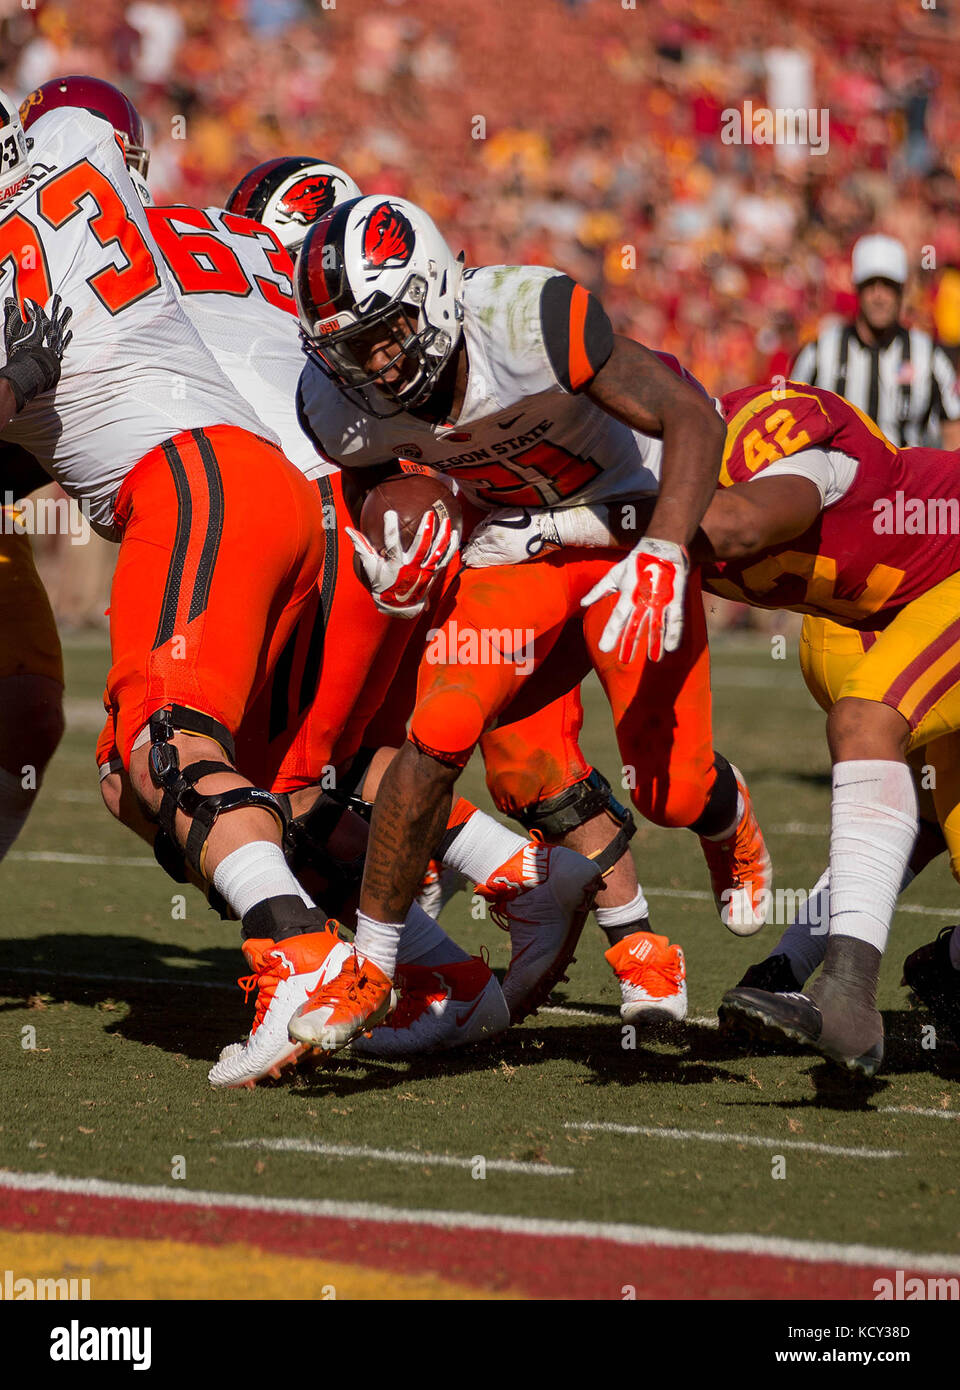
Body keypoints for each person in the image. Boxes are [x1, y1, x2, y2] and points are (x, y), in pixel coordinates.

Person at [288, 195, 770, 1053]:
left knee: (671, 789)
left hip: (628, 525)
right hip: (516, 550)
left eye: (386, 333)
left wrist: (664, 549)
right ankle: (371, 965)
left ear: (435, 289)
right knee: (437, 729)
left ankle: (724, 813)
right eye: (351, 349)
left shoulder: (528, 318)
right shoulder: (335, 401)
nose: (376, 364)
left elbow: (695, 415)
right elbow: (370, 480)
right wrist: (390, 540)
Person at [792, 233, 960, 449]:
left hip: (906, 480)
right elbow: (793, 422)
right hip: (837, 481)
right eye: (870, 285)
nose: (879, 296)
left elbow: (954, 433)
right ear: (857, 290)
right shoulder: (820, 352)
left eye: (888, 285)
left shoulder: (930, 356)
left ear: (902, 291)